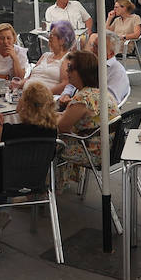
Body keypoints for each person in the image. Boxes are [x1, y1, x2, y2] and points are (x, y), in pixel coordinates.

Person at [0, 81, 60, 210]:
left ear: (25, 105)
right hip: (35, 181)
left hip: (2, 182)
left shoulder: (7, 130)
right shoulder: (52, 131)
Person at [55, 50, 104, 189]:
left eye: (70, 68)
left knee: (42, 142)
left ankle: (38, 192)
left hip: (90, 152)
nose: (66, 70)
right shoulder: (99, 92)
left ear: (82, 72)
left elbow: (61, 127)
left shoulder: (82, 98)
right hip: (106, 149)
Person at [25, 20, 74, 93]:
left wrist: (45, 94)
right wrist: (18, 84)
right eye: (49, 34)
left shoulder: (67, 58)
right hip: (27, 94)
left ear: (62, 40)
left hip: (45, 99)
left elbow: (65, 84)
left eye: (52, 35)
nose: (49, 37)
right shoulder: (45, 55)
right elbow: (29, 78)